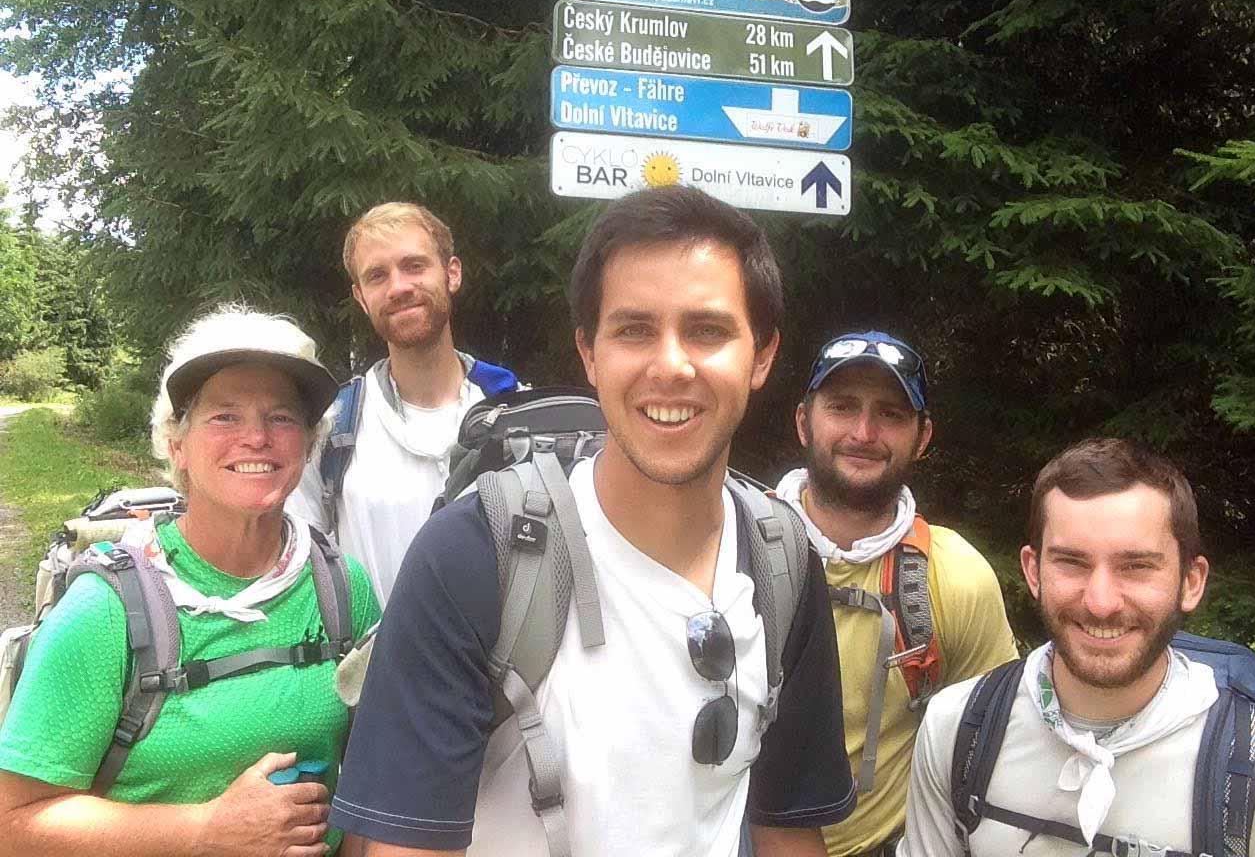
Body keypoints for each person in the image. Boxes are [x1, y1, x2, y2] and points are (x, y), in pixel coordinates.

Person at [332, 186, 855, 856]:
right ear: (589, 353)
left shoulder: (780, 558)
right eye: (634, 329)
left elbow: (785, 828)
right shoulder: (472, 558)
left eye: (707, 330)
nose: (671, 365)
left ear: (762, 356)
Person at [0, 305, 381, 857]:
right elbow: (13, 824)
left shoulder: (343, 589)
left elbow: (381, 769)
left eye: (281, 417)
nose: (256, 437)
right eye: (225, 416)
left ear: (307, 443)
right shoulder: (107, 610)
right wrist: (206, 830)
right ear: (177, 445)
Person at [899, 437, 1255, 856]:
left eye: (1136, 567)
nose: (1100, 603)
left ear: (1191, 582)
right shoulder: (956, 730)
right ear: (1034, 571)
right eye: (1072, 562)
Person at [775, 330, 1017, 857]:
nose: (864, 432)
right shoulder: (733, 546)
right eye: (842, 406)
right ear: (802, 422)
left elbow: (992, 750)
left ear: (922, 437)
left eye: (890, 413)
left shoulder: (955, 576)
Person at [288, 202, 518, 604]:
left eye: (414, 266)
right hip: (373, 664)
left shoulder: (515, 413)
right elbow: (302, 566)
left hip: (499, 666)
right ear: (361, 297)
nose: (398, 287)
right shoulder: (332, 427)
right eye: (378, 276)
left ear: (452, 273)